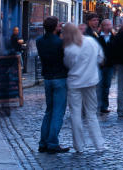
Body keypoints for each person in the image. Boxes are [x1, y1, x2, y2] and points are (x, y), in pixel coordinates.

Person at [62, 23, 105, 153]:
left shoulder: (69, 48)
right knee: (92, 114)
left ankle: (79, 146)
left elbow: (68, 64)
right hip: (91, 81)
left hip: (75, 82)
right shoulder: (91, 41)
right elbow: (100, 58)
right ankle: (99, 144)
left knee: (76, 114)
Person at [35, 16, 71, 154]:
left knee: (49, 111)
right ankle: (52, 143)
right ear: (56, 27)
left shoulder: (39, 41)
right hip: (60, 78)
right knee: (58, 112)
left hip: (47, 78)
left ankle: (43, 143)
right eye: (58, 24)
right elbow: (66, 59)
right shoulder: (60, 42)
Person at [96, 18, 116, 114]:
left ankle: (104, 106)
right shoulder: (98, 37)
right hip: (99, 65)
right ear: (102, 26)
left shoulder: (114, 37)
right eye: (106, 25)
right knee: (99, 86)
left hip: (110, 65)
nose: (108, 27)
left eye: (109, 25)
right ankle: (99, 105)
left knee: (107, 86)